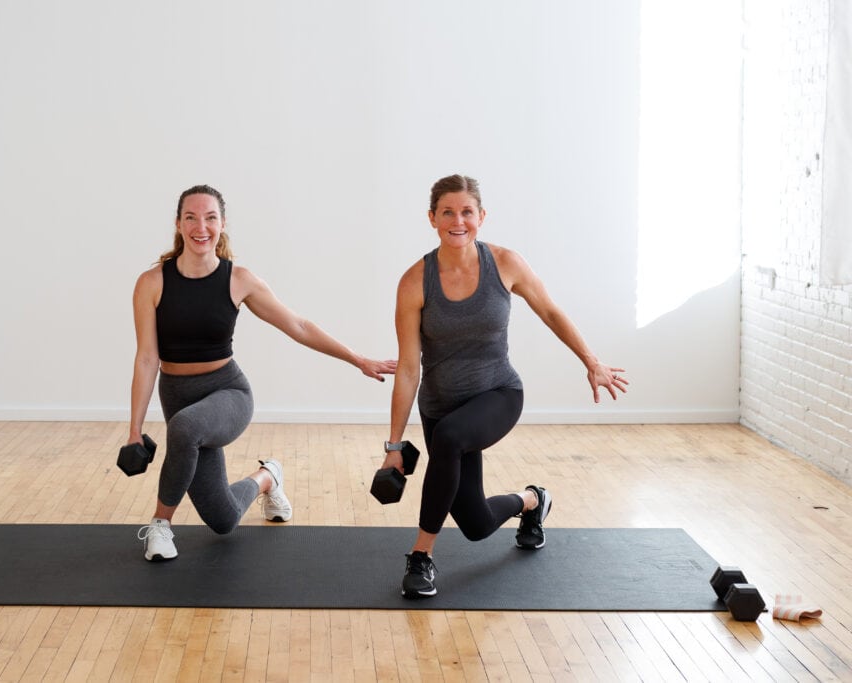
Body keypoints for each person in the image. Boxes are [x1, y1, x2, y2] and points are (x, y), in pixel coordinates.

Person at [383, 174, 628, 598]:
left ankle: (421, 557)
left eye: (467, 212)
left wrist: (592, 361)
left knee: (451, 437)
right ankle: (533, 501)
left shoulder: (506, 263)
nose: (458, 221)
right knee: (476, 524)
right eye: (447, 212)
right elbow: (408, 369)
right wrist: (392, 447)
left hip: (497, 394)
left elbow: (550, 312)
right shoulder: (414, 282)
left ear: (481, 216)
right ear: (432, 218)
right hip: (441, 405)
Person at [130, 184, 396, 561]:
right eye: (191, 217)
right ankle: (268, 477)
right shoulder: (152, 283)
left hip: (227, 393)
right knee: (221, 519)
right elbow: (146, 359)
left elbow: (298, 326)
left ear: (222, 224)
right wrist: (133, 429)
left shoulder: (239, 279)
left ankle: (159, 525)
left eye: (210, 218)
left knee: (185, 429)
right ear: (177, 223)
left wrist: (358, 359)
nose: (200, 227)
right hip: (178, 396)